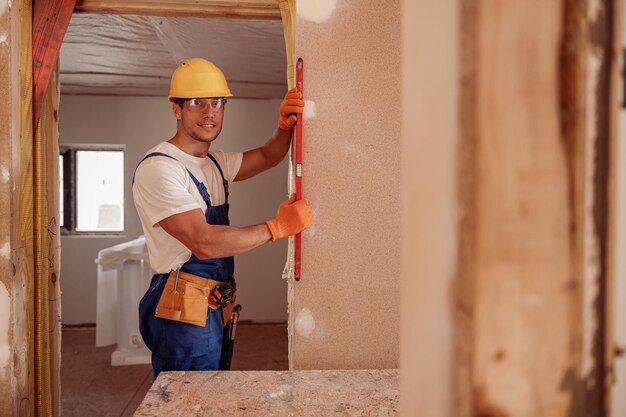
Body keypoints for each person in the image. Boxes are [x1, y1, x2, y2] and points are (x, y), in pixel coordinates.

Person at [132, 57, 311, 379]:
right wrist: (277, 227)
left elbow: (269, 155)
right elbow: (205, 243)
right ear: (176, 109)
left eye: (217, 102)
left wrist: (286, 125)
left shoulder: (213, 162)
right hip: (182, 307)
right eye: (197, 103)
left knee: (211, 388)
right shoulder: (161, 168)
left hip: (211, 300)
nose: (209, 112)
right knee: (186, 398)